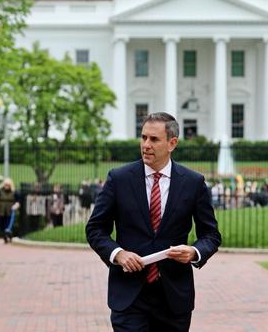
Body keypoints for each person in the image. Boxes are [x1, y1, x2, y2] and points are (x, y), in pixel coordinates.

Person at [86, 112, 221, 332]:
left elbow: (211, 235)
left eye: (154, 139)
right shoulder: (118, 179)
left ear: (172, 143)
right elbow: (95, 229)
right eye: (143, 137)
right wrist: (118, 254)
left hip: (174, 297)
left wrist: (194, 252)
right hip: (129, 295)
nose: (146, 145)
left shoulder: (193, 183)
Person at [0, 178, 20, 243]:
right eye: (5, 185)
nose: (7, 186)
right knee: (1, 225)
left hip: (10, 212)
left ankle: (7, 234)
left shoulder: (15, 192)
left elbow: (18, 202)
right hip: (1, 211)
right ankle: (6, 234)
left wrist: (15, 206)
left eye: (8, 185)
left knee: (8, 225)